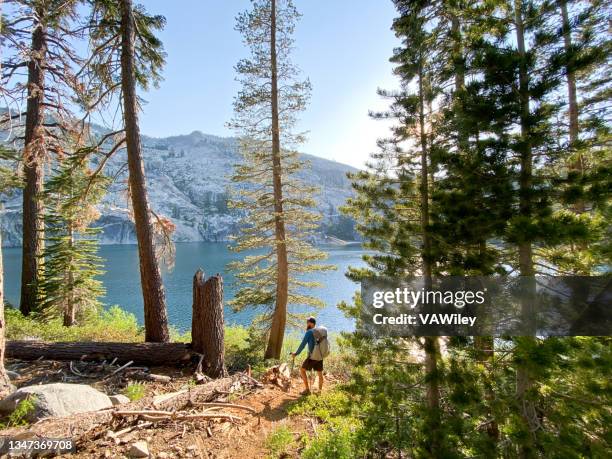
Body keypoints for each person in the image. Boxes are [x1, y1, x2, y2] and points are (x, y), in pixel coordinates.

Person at [291, 316, 323, 395]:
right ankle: (319, 392)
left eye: (308, 322)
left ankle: (307, 390)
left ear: (312, 323)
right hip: (320, 355)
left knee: (302, 370)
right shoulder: (318, 331)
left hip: (312, 356)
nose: (307, 324)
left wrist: (296, 353)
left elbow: (303, 344)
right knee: (320, 373)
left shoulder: (309, 332)